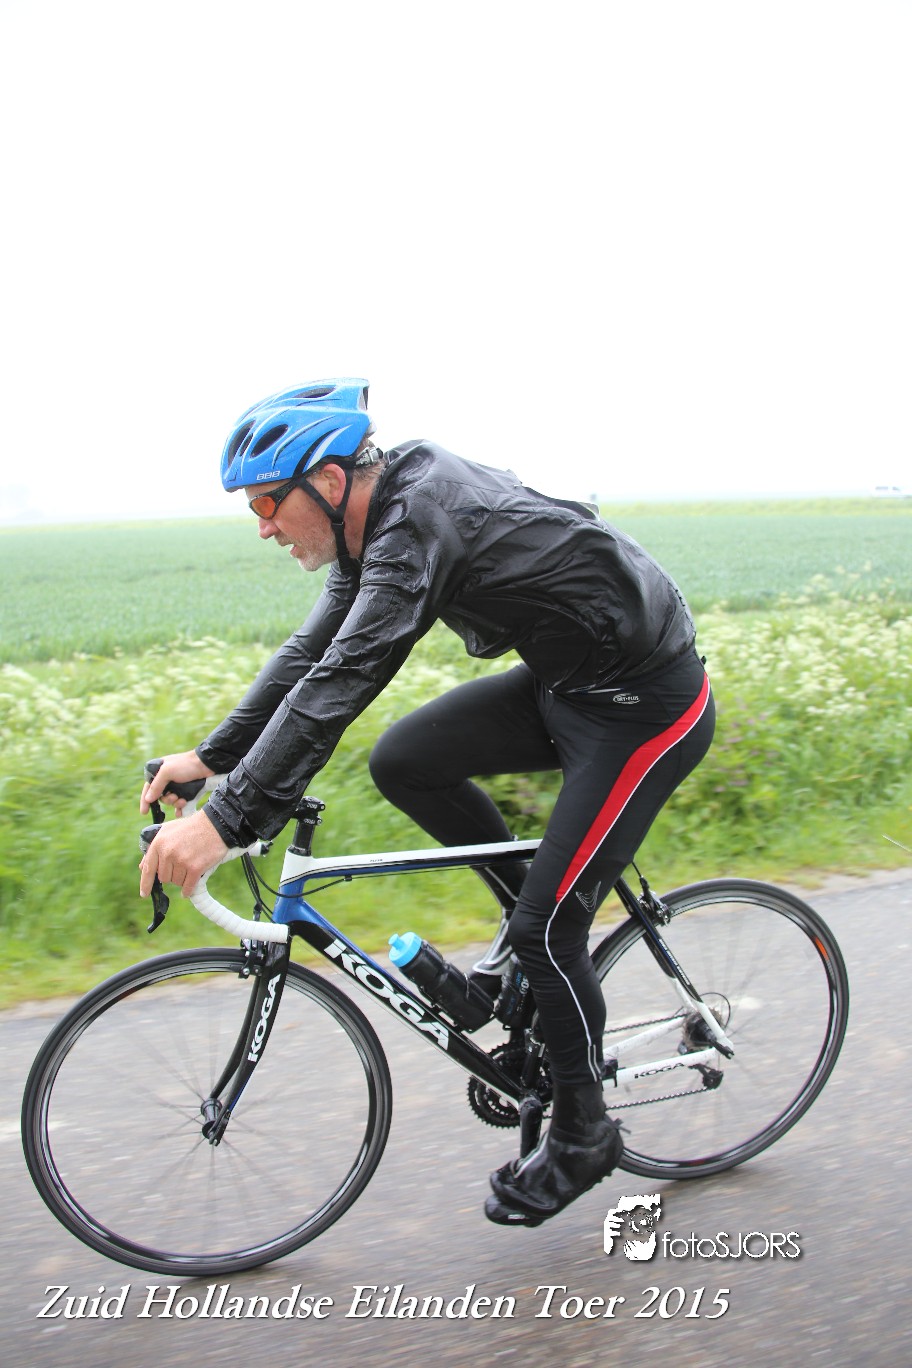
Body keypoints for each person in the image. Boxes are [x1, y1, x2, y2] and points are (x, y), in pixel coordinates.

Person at [139, 378, 715, 1228]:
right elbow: (312, 652)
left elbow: (347, 677)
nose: (262, 526)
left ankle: (584, 1132)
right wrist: (212, 760)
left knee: (549, 930)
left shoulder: (420, 521)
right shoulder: (374, 519)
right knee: (406, 762)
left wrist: (226, 822)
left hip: (646, 706)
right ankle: (528, 935)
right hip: (566, 685)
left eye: (266, 503)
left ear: (328, 482)